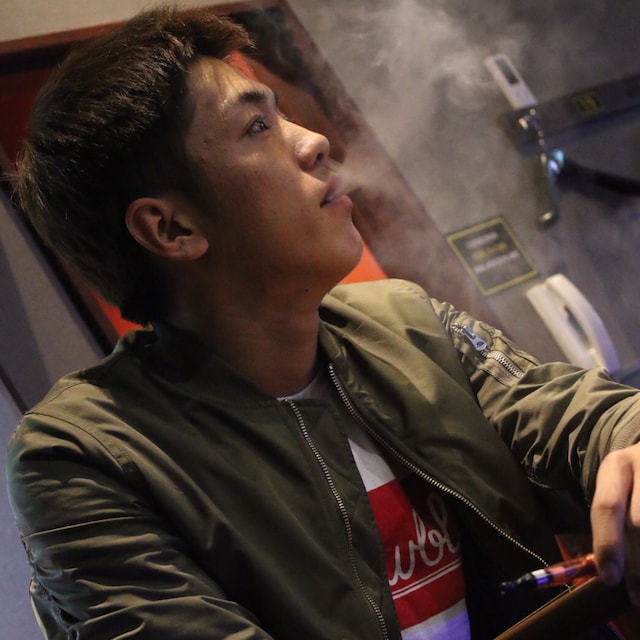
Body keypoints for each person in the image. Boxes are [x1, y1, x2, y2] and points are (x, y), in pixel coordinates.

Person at [6, 5, 640, 640]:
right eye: (257, 127)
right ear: (171, 228)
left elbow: (584, 418)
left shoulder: (406, 324)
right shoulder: (87, 456)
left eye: (282, 114)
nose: (314, 142)